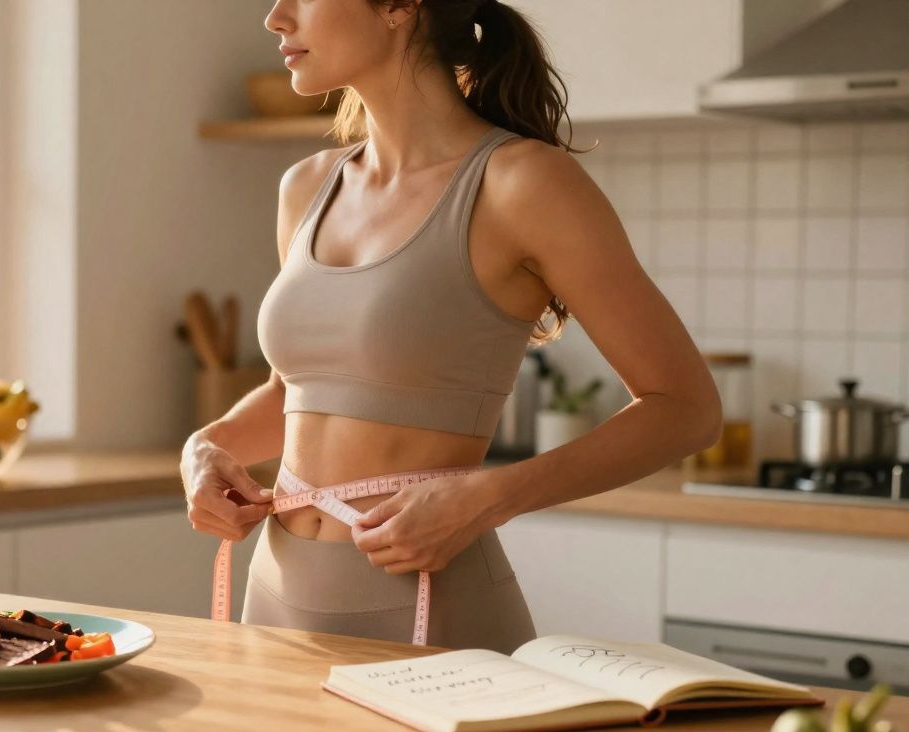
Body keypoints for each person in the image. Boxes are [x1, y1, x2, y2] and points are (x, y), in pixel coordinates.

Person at [179, 0, 722, 652]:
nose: (275, 17)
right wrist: (207, 447)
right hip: (274, 597)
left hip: (427, 605)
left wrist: (487, 497)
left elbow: (686, 409)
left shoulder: (523, 184)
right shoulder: (307, 187)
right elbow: (295, 391)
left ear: (399, 7)